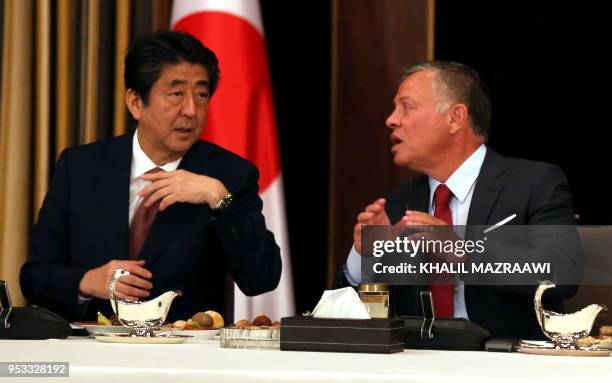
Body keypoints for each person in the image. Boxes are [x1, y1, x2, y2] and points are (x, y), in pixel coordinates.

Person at [20, 31, 282, 322]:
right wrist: (85, 281)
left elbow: (263, 278)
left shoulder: (229, 175)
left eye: (201, 95)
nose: (191, 110)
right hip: (91, 353)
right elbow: (34, 277)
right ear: (135, 102)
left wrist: (219, 199)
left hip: (187, 357)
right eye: (176, 94)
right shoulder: (80, 167)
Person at [339, 61, 580, 339]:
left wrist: (465, 251)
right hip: (416, 366)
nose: (391, 120)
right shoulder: (397, 201)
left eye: (406, 107)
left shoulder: (533, 183)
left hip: (508, 366)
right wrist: (365, 256)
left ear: (455, 117)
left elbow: (563, 273)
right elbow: (351, 313)